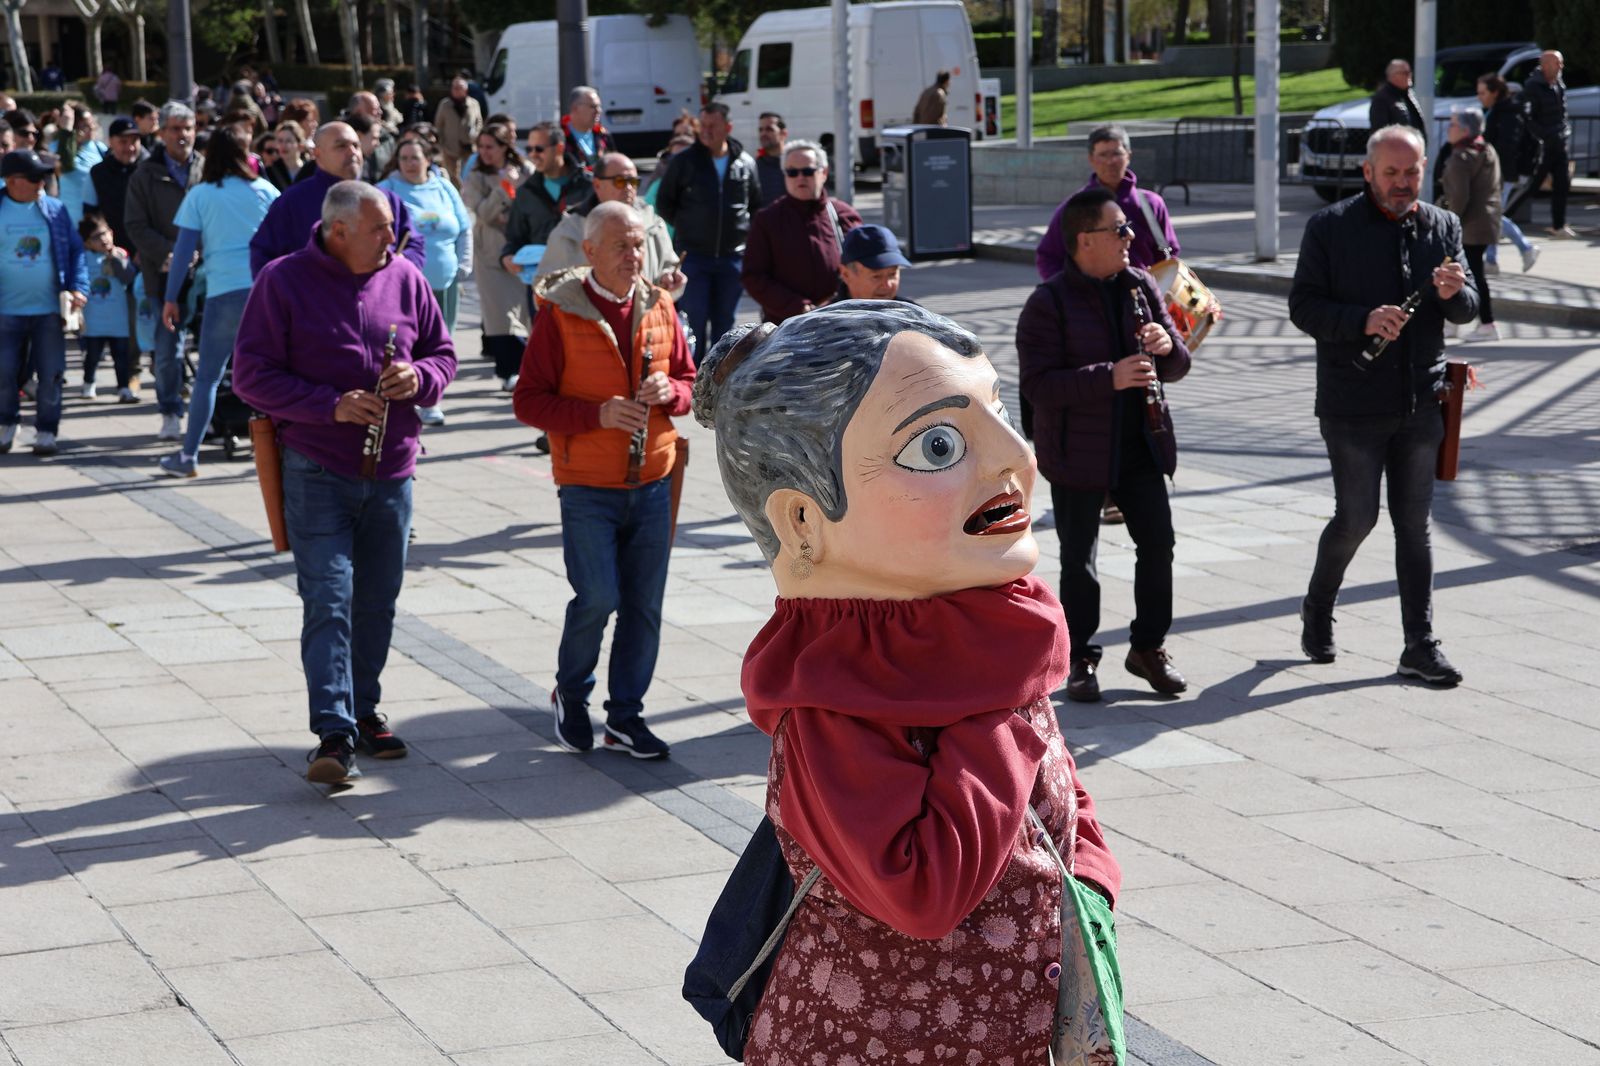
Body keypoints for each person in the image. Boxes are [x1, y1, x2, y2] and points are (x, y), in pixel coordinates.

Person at [690, 302, 1123, 1065]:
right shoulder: (838, 696)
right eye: (938, 444)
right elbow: (922, 891)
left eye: (999, 412)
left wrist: (1088, 879)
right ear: (802, 522)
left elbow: (1055, 791)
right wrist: (996, 696)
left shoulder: (973, 634)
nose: (1014, 457)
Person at [233, 181, 458, 785]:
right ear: (337, 232)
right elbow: (251, 376)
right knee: (328, 599)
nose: (395, 237)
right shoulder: (282, 280)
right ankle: (333, 730)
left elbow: (443, 353)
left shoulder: (406, 278)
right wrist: (329, 405)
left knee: (377, 601)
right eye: (380, 228)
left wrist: (420, 378)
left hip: (393, 467)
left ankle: (363, 709)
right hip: (316, 467)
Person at [1288, 125, 1476, 686]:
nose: (1402, 183)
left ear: (1427, 170)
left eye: (1412, 172)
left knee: (1414, 526)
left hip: (1421, 401)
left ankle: (1419, 644)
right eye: (1391, 173)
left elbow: (1468, 307)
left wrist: (1453, 294)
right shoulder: (1330, 227)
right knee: (1357, 517)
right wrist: (1362, 320)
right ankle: (1318, 607)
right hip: (1352, 403)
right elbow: (1303, 307)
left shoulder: (1443, 226)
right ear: (1368, 172)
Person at [512, 201, 695, 759]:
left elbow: (689, 382)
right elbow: (529, 401)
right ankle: (571, 693)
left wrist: (673, 394)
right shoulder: (560, 313)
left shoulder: (660, 304)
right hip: (588, 485)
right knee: (597, 597)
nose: (633, 256)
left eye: (639, 244)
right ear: (589, 251)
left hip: (654, 479)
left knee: (643, 605)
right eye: (621, 246)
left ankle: (625, 718)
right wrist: (597, 415)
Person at [1017, 186, 1192, 702]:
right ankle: (1080, 659)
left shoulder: (1139, 284)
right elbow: (1039, 386)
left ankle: (1148, 648)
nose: (1129, 238)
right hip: (1078, 451)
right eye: (1119, 230)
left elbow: (1179, 363)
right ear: (1083, 241)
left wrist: (1167, 348)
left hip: (1142, 443)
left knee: (1159, 545)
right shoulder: (1047, 303)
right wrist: (1107, 378)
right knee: (1080, 559)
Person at [155, 126, 280, 478]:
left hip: (224, 292)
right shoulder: (266, 191)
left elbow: (183, 253)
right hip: (264, 292)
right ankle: (274, 450)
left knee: (208, 376)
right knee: (270, 373)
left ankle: (189, 455)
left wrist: (171, 298)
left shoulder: (201, 195)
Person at [248, 121, 425, 277]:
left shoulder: (384, 199)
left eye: (356, 145)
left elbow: (414, 242)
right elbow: (263, 254)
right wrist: (289, 299)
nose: (352, 152)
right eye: (341, 146)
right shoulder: (293, 201)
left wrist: (402, 265)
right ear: (317, 154)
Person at [654, 103, 762, 357]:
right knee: (695, 322)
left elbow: (755, 205)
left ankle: (720, 382)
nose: (706, 132)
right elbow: (664, 204)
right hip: (694, 257)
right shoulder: (684, 162)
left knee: (726, 326)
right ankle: (693, 382)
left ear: (728, 127)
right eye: (703, 126)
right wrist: (687, 228)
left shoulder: (744, 163)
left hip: (731, 257)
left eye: (713, 126)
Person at [0, 149, 87, 457]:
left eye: (44, 178)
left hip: (49, 310)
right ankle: (6, 422)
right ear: (11, 181)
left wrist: (78, 287)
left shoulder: (55, 209)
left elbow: (76, 252)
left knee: (51, 373)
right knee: (4, 372)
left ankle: (47, 431)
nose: (41, 184)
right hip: (6, 311)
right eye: (34, 178)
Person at [124, 101, 203, 443]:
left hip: (206, 276)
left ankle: (212, 415)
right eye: (174, 129)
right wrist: (168, 254)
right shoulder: (146, 172)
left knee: (214, 351)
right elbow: (134, 224)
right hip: (164, 275)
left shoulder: (208, 168)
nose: (182, 135)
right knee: (168, 350)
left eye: (187, 129)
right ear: (162, 133)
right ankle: (170, 410)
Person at [379, 137, 472, 426]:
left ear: (428, 160)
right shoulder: (387, 189)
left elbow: (463, 228)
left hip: (446, 280)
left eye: (414, 158)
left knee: (443, 341)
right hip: (407, 286)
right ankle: (422, 399)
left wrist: (464, 262)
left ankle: (433, 392)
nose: (409, 163)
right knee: (414, 342)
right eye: (403, 158)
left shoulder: (443, 186)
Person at [1036, 125, 1179, 281]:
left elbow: (1168, 255)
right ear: (1091, 159)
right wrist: (1069, 295)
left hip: (1143, 297)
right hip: (1092, 300)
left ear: (1129, 156)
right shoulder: (1075, 208)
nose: (1110, 161)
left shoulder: (1151, 204)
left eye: (1116, 153)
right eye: (1103, 155)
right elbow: (1048, 258)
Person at [740, 139, 861, 323]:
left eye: (808, 171)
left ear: (824, 173)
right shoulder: (767, 219)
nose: (800, 178)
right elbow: (753, 277)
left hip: (841, 319)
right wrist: (798, 306)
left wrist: (838, 301)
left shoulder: (844, 215)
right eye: (792, 172)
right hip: (787, 325)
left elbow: (863, 268)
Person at [533, 151, 682, 299]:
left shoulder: (652, 222)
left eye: (634, 182)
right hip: (589, 318)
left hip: (645, 316)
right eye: (620, 181)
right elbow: (546, 288)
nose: (629, 187)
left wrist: (670, 279)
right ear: (597, 185)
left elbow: (668, 266)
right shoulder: (571, 231)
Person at [459, 122, 536, 392]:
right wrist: (504, 188)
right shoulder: (476, 176)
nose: (484, 152)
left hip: (524, 252)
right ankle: (507, 371)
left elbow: (533, 205)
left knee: (529, 313)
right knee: (499, 315)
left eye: (490, 147)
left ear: (505, 147)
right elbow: (484, 213)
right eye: (481, 147)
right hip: (490, 253)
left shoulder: (526, 170)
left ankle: (531, 369)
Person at [500, 121, 594, 281]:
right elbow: (514, 237)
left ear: (559, 148)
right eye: (529, 149)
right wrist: (507, 256)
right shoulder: (526, 192)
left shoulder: (590, 186)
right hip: (541, 282)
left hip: (583, 280)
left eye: (539, 149)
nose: (532, 155)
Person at [1441, 107, 1501, 344]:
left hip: (1468, 226)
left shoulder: (1461, 157)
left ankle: (1486, 323)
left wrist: (1448, 224)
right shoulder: (1486, 149)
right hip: (1486, 222)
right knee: (1469, 273)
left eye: (1453, 124)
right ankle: (1457, 322)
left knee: (1467, 274)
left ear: (1465, 129)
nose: (1449, 128)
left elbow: (1458, 198)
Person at [1475, 74, 1539, 275]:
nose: (1480, 97)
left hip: (1501, 173)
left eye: (1483, 93)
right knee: (1494, 215)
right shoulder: (1498, 110)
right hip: (1499, 171)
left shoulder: (1507, 112)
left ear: (1495, 92)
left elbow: (1506, 146)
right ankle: (1492, 260)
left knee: (1493, 215)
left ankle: (1525, 248)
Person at [1511, 49, 1574, 239]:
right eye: (1557, 63)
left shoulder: (1558, 84)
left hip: (1559, 143)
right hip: (1542, 145)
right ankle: (1504, 219)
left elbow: (1562, 114)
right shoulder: (1532, 86)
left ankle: (1558, 225)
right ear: (1545, 64)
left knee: (1562, 184)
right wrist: (1544, 136)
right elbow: (1527, 117)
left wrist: (1563, 133)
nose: (1561, 66)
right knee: (1532, 185)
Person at [77, 213, 138, 401]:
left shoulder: (120, 255)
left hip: (117, 320)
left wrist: (116, 259)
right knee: (92, 356)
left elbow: (129, 278)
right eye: (96, 237)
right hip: (93, 320)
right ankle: (89, 383)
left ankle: (123, 388)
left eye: (105, 233)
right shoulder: (83, 258)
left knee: (121, 356)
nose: (103, 239)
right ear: (86, 243)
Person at [88, 118, 146, 252]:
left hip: (147, 252)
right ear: (111, 142)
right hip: (110, 252)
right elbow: (90, 215)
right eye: (123, 142)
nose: (130, 147)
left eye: (134, 141)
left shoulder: (150, 171)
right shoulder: (97, 173)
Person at [832, 224, 915, 304]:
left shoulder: (913, 314)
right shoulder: (827, 317)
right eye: (876, 276)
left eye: (892, 274)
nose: (887, 285)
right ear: (846, 274)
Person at [57, 106, 106, 225]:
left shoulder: (99, 147)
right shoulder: (58, 146)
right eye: (84, 126)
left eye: (92, 124)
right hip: (71, 220)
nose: (91, 129)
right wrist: (68, 133)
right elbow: (66, 165)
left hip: (94, 220)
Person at [1369, 59, 1427, 148]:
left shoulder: (1409, 94)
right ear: (1393, 75)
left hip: (1413, 150)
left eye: (1410, 72)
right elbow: (1380, 132)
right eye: (1405, 72)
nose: (1409, 75)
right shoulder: (1382, 99)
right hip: (1397, 153)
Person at [434, 77, 483, 182]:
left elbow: (478, 122)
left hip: (468, 145)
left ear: (465, 90)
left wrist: (476, 136)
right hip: (450, 146)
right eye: (454, 88)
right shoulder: (445, 104)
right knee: (452, 175)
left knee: (470, 172)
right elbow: (439, 125)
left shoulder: (473, 104)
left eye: (459, 88)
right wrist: (442, 142)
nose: (456, 90)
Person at [561, 86, 614, 173]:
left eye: (599, 106)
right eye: (593, 106)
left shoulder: (603, 135)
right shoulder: (560, 137)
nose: (599, 111)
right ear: (575, 108)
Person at [753, 112, 787, 204]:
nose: (763, 134)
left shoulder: (794, 165)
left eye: (769, 129)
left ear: (783, 133)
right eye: (761, 130)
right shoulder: (754, 167)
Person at [266, 120, 306, 190]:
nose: (283, 145)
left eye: (289, 141)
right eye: (280, 141)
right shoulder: (271, 171)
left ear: (300, 146)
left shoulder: (310, 168)